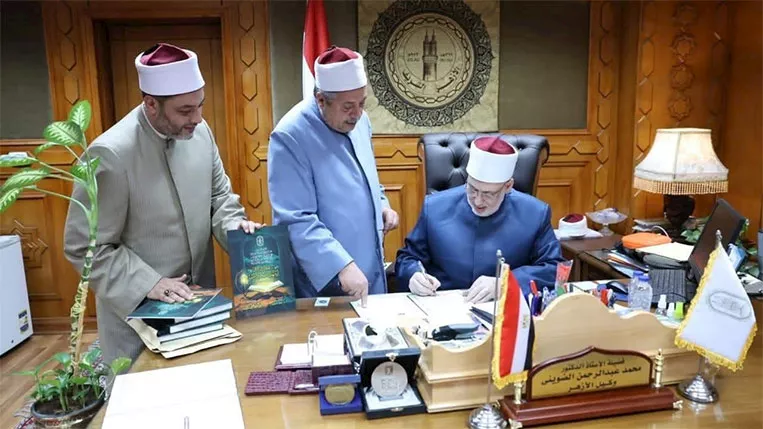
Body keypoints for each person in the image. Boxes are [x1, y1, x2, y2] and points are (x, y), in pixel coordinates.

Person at [63, 43, 261, 365]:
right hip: (139, 321)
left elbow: (219, 198)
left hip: (201, 311)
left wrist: (236, 229)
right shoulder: (111, 154)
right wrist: (149, 283)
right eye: (185, 110)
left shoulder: (200, 133)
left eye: (200, 105)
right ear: (151, 104)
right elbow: (84, 246)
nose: (197, 118)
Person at [267, 46, 399, 305]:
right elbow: (295, 218)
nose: (357, 114)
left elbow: (367, 176)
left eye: (362, 103)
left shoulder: (360, 120)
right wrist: (340, 265)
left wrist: (381, 204)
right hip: (327, 281)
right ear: (321, 100)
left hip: (370, 270)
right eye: (348, 106)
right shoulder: (290, 136)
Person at [395, 135, 564, 303]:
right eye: (472, 189)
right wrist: (413, 275)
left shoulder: (535, 213)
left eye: (488, 194)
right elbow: (407, 258)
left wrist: (505, 283)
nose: (478, 201)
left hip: (503, 309)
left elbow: (554, 268)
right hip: (442, 306)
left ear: (507, 186)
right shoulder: (434, 207)